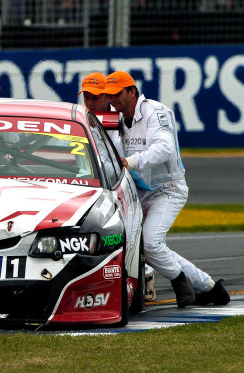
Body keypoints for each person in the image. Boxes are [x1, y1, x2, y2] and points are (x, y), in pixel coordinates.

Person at [101, 70, 230, 308]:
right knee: (140, 246)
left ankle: (182, 282)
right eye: (108, 95)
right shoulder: (115, 118)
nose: (112, 100)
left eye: (117, 94)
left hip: (167, 189)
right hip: (138, 191)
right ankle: (209, 288)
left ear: (132, 91)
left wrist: (132, 162)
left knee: (150, 244)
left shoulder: (156, 112)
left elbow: (165, 148)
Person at [80, 71, 156, 301]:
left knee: (137, 233)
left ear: (107, 97)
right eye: (87, 97)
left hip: (129, 183)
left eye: (96, 97)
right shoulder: (83, 117)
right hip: (97, 183)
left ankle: (146, 277)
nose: (91, 102)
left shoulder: (122, 119)